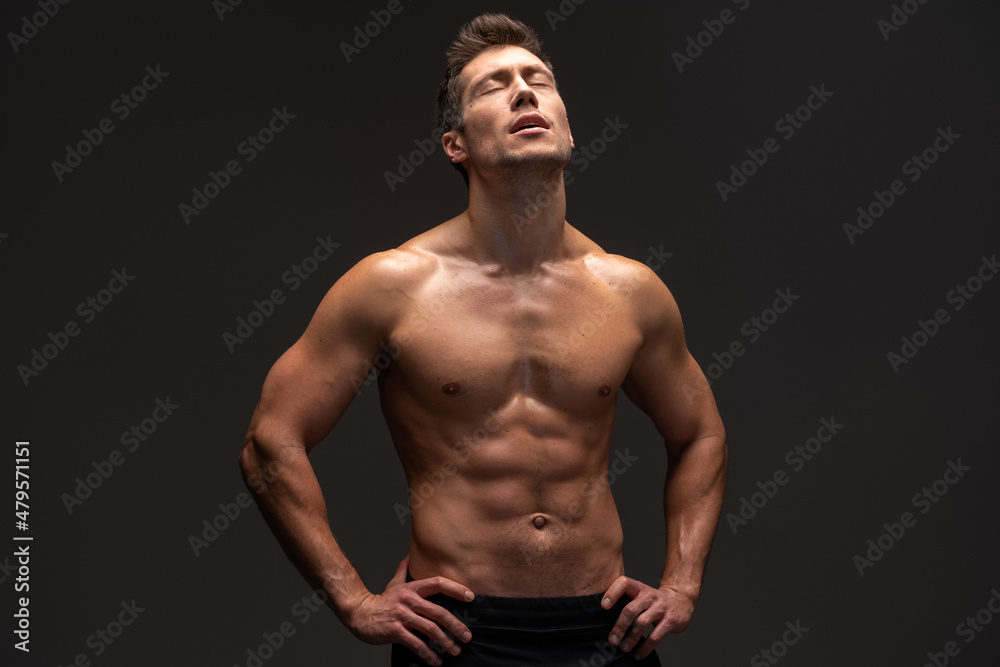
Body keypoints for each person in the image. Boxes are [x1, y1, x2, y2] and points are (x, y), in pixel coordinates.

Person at [239, 13, 727, 666]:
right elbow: (269, 442)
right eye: (494, 86)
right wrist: (354, 599)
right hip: (458, 635)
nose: (524, 92)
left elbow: (701, 433)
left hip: (606, 630)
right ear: (454, 143)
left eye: (538, 80)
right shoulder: (393, 284)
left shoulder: (629, 291)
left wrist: (683, 584)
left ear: (569, 127)